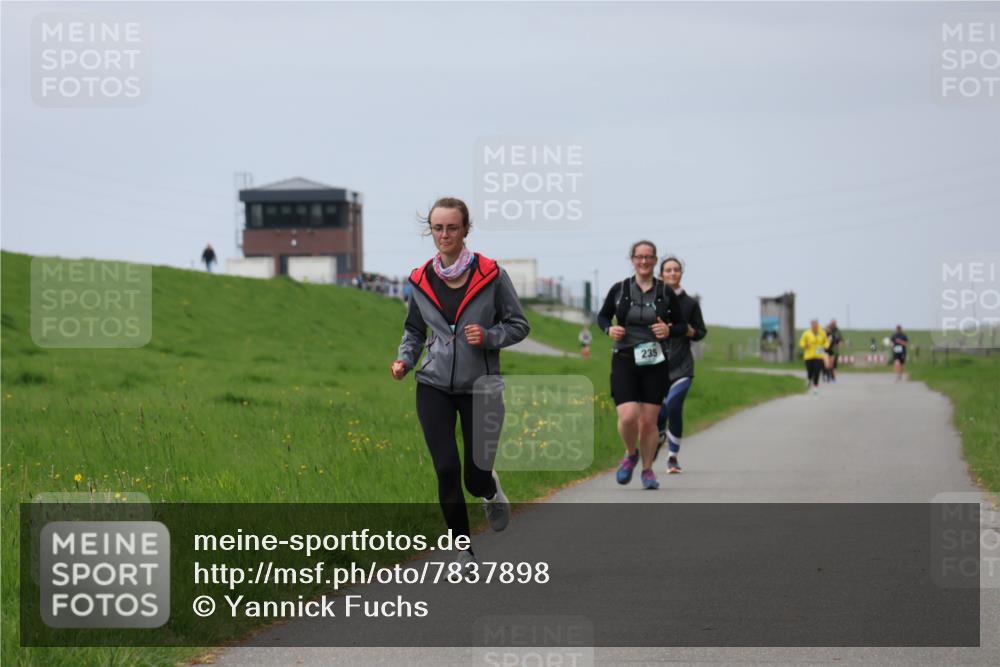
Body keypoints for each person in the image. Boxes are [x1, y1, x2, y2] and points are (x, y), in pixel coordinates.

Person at [391, 197, 529, 569]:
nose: (445, 235)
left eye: (453, 227)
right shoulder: (420, 279)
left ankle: (490, 489)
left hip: (481, 385)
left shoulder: (491, 275)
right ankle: (463, 551)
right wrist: (405, 359)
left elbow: (519, 325)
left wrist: (488, 336)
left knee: (474, 475)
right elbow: (414, 329)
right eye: (438, 228)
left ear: (465, 229)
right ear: (430, 230)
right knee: (446, 468)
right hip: (433, 384)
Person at [597, 240, 686, 490]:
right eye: (639, 257)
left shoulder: (665, 292)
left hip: (654, 361)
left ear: (655, 260)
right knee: (628, 417)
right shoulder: (620, 289)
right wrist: (609, 328)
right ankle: (630, 453)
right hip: (625, 357)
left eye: (649, 257)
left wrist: (667, 329)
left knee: (649, 422)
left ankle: (647, 470)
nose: (644, 261)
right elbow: (602, 316)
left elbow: (680, 325)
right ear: (632, 259)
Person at [655, 256, 707, 474]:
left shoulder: (690, 303)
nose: (673, 273)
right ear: (661, 274)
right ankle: (657, 436)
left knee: (673, 406)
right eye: (668, 270)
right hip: (656, 365)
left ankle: (672, 457)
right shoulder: (651, 300)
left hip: (682, 365)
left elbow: (701, 332)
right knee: (658, 414)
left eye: (676, 270)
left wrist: (689, 331)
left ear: (681, 274)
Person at [799, 319, 829, 395]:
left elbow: (826, 341)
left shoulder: (822, 333)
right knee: (810, 371)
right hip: (809, 355)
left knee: (817, 371)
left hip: (819, 355)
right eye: (813, 324)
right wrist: (805, 345)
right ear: (811, 325)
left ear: (817, 325)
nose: (814, 326)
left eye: (815, 324)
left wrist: (825, 346)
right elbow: (801, 342)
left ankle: (815, 388)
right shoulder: (806, 333)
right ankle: (809, 379)